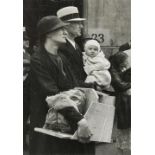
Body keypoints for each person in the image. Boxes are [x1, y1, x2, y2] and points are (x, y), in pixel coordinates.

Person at [29, 15, 94, 155]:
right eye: (60, 29)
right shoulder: (38, 60)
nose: (65, 32)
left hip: (66, 120)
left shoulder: (62, 57)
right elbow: (52, 94)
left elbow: (73, 86)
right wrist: (80, 120)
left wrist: (92, 88)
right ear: (48, 33)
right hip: (47, 125)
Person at [57, 6, 87, 83]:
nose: (81, 26)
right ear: (66, 25)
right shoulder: (61, 47)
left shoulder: (75, 44)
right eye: (78, 23)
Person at [109, 52, 131, 153]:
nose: (128, 61)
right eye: (126, 60)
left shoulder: (122, 69)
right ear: (121, 61)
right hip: (123, 101)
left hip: (126, 100)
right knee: (123, 130)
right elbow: (120, 85)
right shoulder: (113, 71)